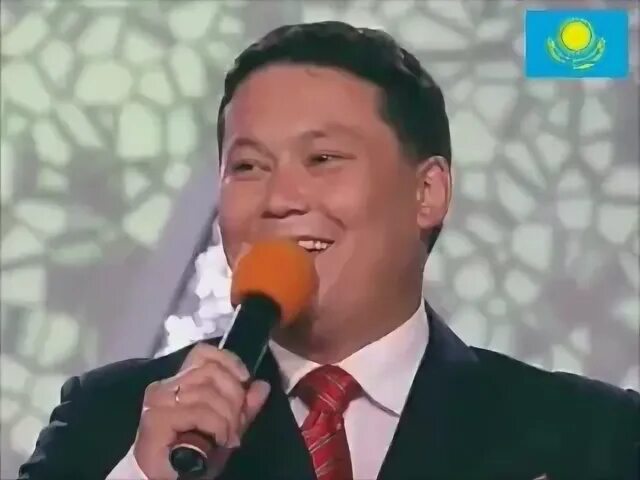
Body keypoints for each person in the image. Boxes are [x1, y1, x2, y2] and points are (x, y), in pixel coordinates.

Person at [19, 21, 638, 480]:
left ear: (427, 192)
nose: (280, 198)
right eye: (248, 166)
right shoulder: (108, 420)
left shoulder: (596, 436)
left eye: (322, 158)